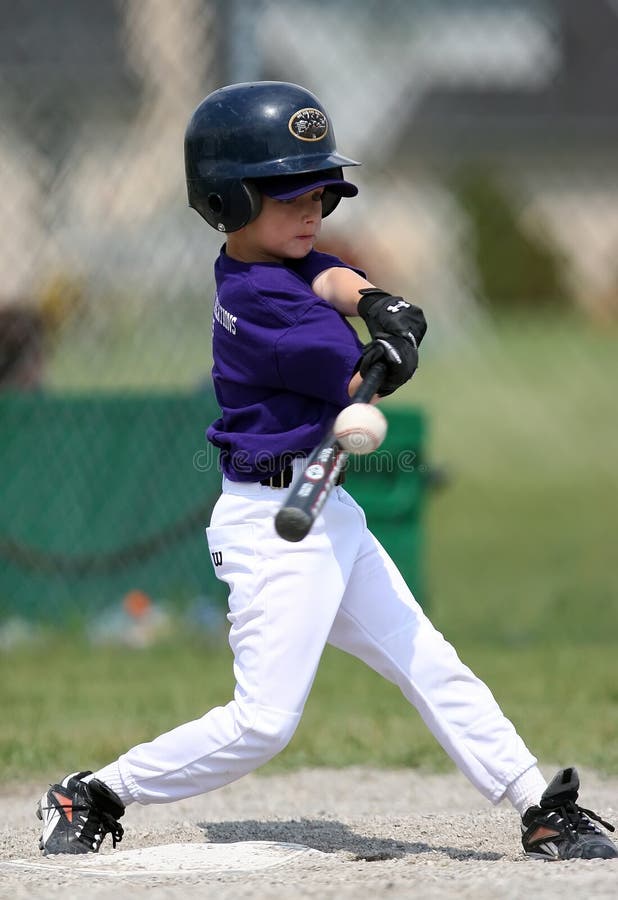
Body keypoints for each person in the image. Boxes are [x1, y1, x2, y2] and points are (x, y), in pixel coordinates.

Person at [37, 81, 617, 861]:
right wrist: (390, 356)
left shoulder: (266, 264)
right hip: (274, 531)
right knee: (263, 724)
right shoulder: (270, 316)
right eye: (286, 195)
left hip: (323, 511)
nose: (310, 211)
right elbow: (353, 379)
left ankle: (538, 804)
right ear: (229, 200)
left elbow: (328, 274)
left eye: (320, 192)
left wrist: (376, 299)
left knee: (426, 658)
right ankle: (95, 791)